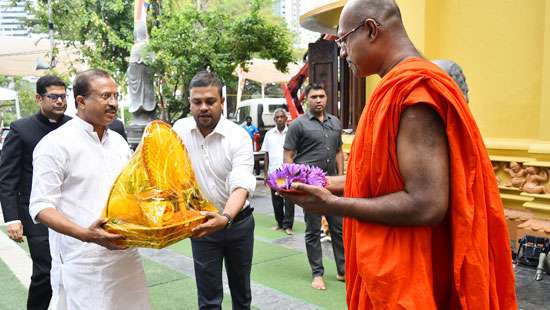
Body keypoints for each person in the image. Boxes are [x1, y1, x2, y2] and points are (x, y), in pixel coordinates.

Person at [280, 0, 517, 309]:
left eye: (343, 39)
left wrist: (334, 204)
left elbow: (427, 204)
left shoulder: (415, 90)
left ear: (371, 30)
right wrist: (321, 183)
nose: (342, 51)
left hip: (413, 273)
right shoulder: (392, 87)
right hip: (392, 265)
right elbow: (377, 179)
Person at [28, 69, 149, 310]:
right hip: (82, 261)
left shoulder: (118, 142)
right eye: (105, 96)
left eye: (116, 96)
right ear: (81, 101)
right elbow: (41, 207)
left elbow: (131, 192)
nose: (113, 103)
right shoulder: (55, 144)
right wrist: (86, 235)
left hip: (125, 254)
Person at [172, 70, 256, 310]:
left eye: (210, 101)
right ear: (190, 104)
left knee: (241, 295)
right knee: (208, 299)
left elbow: (241, 183)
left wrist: (226, 217)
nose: (204, 107)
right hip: (202, 224)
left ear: (222, 102)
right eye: (197, 102)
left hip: (238, 223)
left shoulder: (238, 136)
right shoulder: (179, 130)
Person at [0, 75, 71, 309]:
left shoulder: (74, 127)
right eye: (54, 97)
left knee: (72, 268)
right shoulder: (21, 129)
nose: (60, 101)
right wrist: (12, 218)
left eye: (63, 96)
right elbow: (7, 177)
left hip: (70, 210)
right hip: (36, 213)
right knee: (45, 270)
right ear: (39, 98)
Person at [283, 83, 346, 290]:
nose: (318, 100)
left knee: (338, 229)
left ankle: (342, 271)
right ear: (306, 100)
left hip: (333, 186)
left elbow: (338, 151)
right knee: (313, 230)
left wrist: (342, 177)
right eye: (314, 97)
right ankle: (317, 274)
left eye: (321, 96)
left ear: (327, 98)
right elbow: (288, 156)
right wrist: (293, 186)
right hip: (310, 187)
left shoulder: (335, 122)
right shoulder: (298, 125)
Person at [261, 108, 294, 235]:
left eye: (282, 117)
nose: (280, 119)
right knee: (276, 201)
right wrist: (265, 175)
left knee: (289, 199)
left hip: (288, 172)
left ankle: (288, 225)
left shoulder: (291, 133)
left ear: (286, 119)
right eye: (277, 117)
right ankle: (280, 223)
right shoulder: (269, 134)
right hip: (274, 173)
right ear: (274, 120)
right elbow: (266, 155)